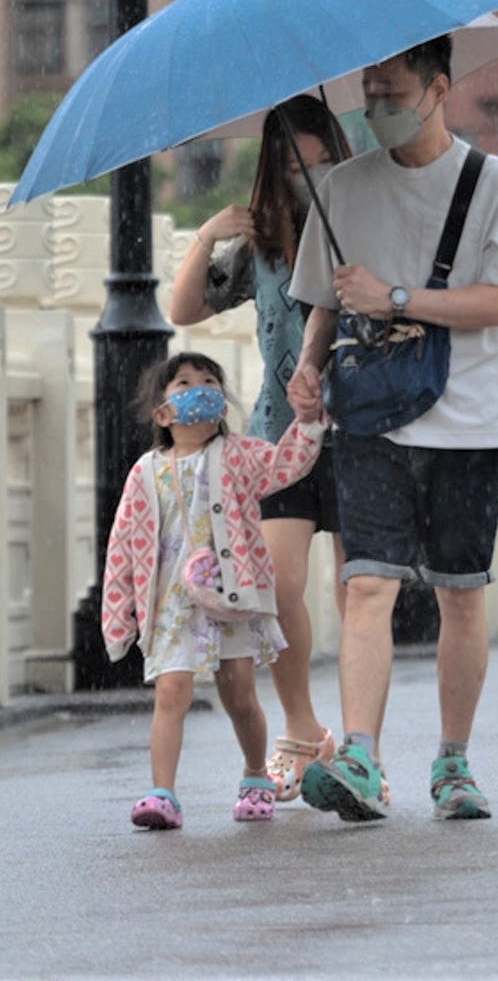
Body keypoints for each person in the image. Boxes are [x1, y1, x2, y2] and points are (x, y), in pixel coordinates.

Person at [289, 33, 498, 823]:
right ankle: (362, 756)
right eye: (370, 94)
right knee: (365, 583)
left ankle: (453, 761)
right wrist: (308, 367)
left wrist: (397, 298)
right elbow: (326, 302)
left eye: (394, 94)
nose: (378, 109)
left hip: (470, 423)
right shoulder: (342, 187)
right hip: (371, 419)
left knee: (459, 597)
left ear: (439, 88)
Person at [166, 94, 354, 802]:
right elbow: (183, 309)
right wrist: (204, 238)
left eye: (317, 158)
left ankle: (362, 745)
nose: (305, 173)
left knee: (359, 586)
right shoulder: (265, 247)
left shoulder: (359, 227)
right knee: (274, 587)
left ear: (335, 154)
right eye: (290, 162)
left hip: (362, 427)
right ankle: (303, 732)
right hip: (280, 438)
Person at [100, 351, 326, 829]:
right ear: (163, 413)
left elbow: (287, 464)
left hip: (230, 598)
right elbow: (123, 545)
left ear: (222, 406)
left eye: (210, 381)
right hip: (170, 604)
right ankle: (162, 793)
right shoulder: (145, 473)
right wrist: (119, 614)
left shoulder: (241, 456)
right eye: (184, 383)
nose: (200, 388)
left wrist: (307, 422)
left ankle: (254, 775)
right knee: (171, 691)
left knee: (240, 695)